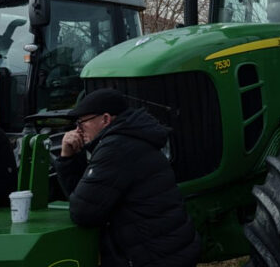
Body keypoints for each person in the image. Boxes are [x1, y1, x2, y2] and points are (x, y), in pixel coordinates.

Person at [54, 88, 200, 267]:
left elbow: (83, 212)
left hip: (153, 257)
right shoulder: (132, 137)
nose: (78, 130)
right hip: (169, 250)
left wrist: (67, 159)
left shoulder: (116, 148)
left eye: (82, 122)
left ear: (106, 119)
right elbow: (89, 201)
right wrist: (69, 159)